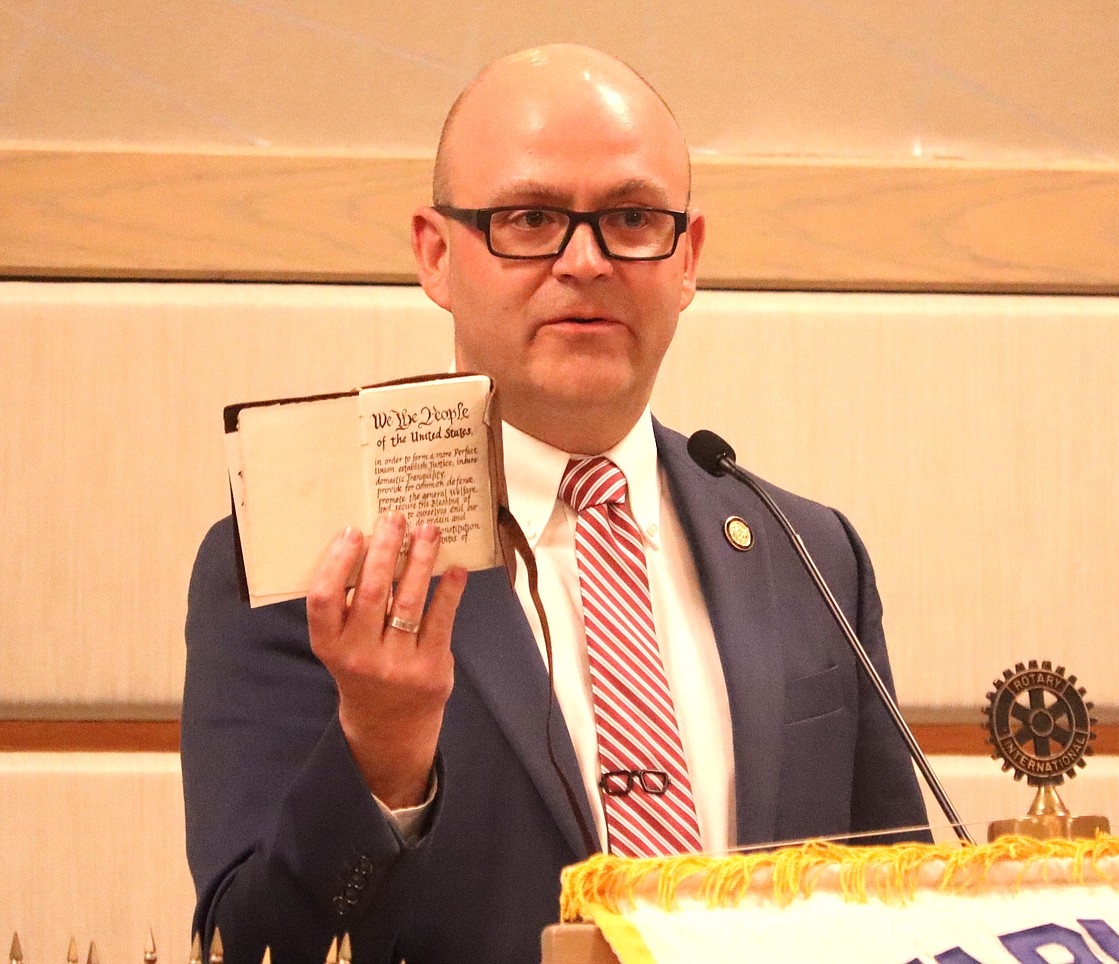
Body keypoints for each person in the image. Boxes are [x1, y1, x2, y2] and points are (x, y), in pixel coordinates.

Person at [182, 44, 928, 964]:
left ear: (687, 257)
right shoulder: (305, 561)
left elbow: (900, 912)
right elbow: (255, 945)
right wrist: (380, 753)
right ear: (435, 253)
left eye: (632, 217)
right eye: (529, 219)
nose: (587, 261)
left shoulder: (809, 553)